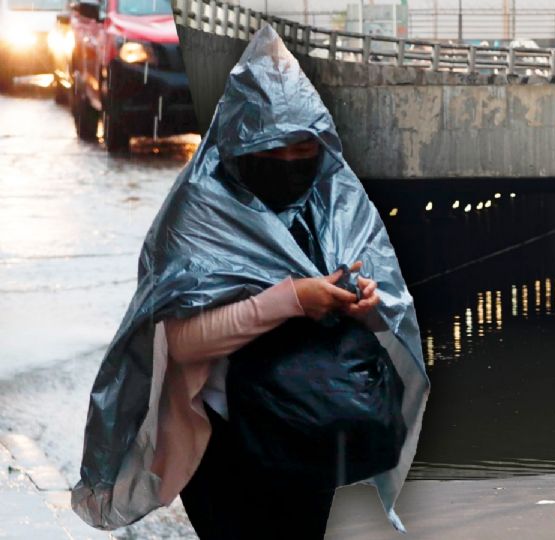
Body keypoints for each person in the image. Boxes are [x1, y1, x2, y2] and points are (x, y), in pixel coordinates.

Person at [71, 25, 430, 537]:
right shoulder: (199, 210)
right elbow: (179, 341)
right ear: (239, 145)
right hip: (223, 444)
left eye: (302, 151)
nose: (289, 165)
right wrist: (291, 300)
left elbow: (381, 315)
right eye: (273, 151)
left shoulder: (334, 199)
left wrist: (365, 305)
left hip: (310, 432)